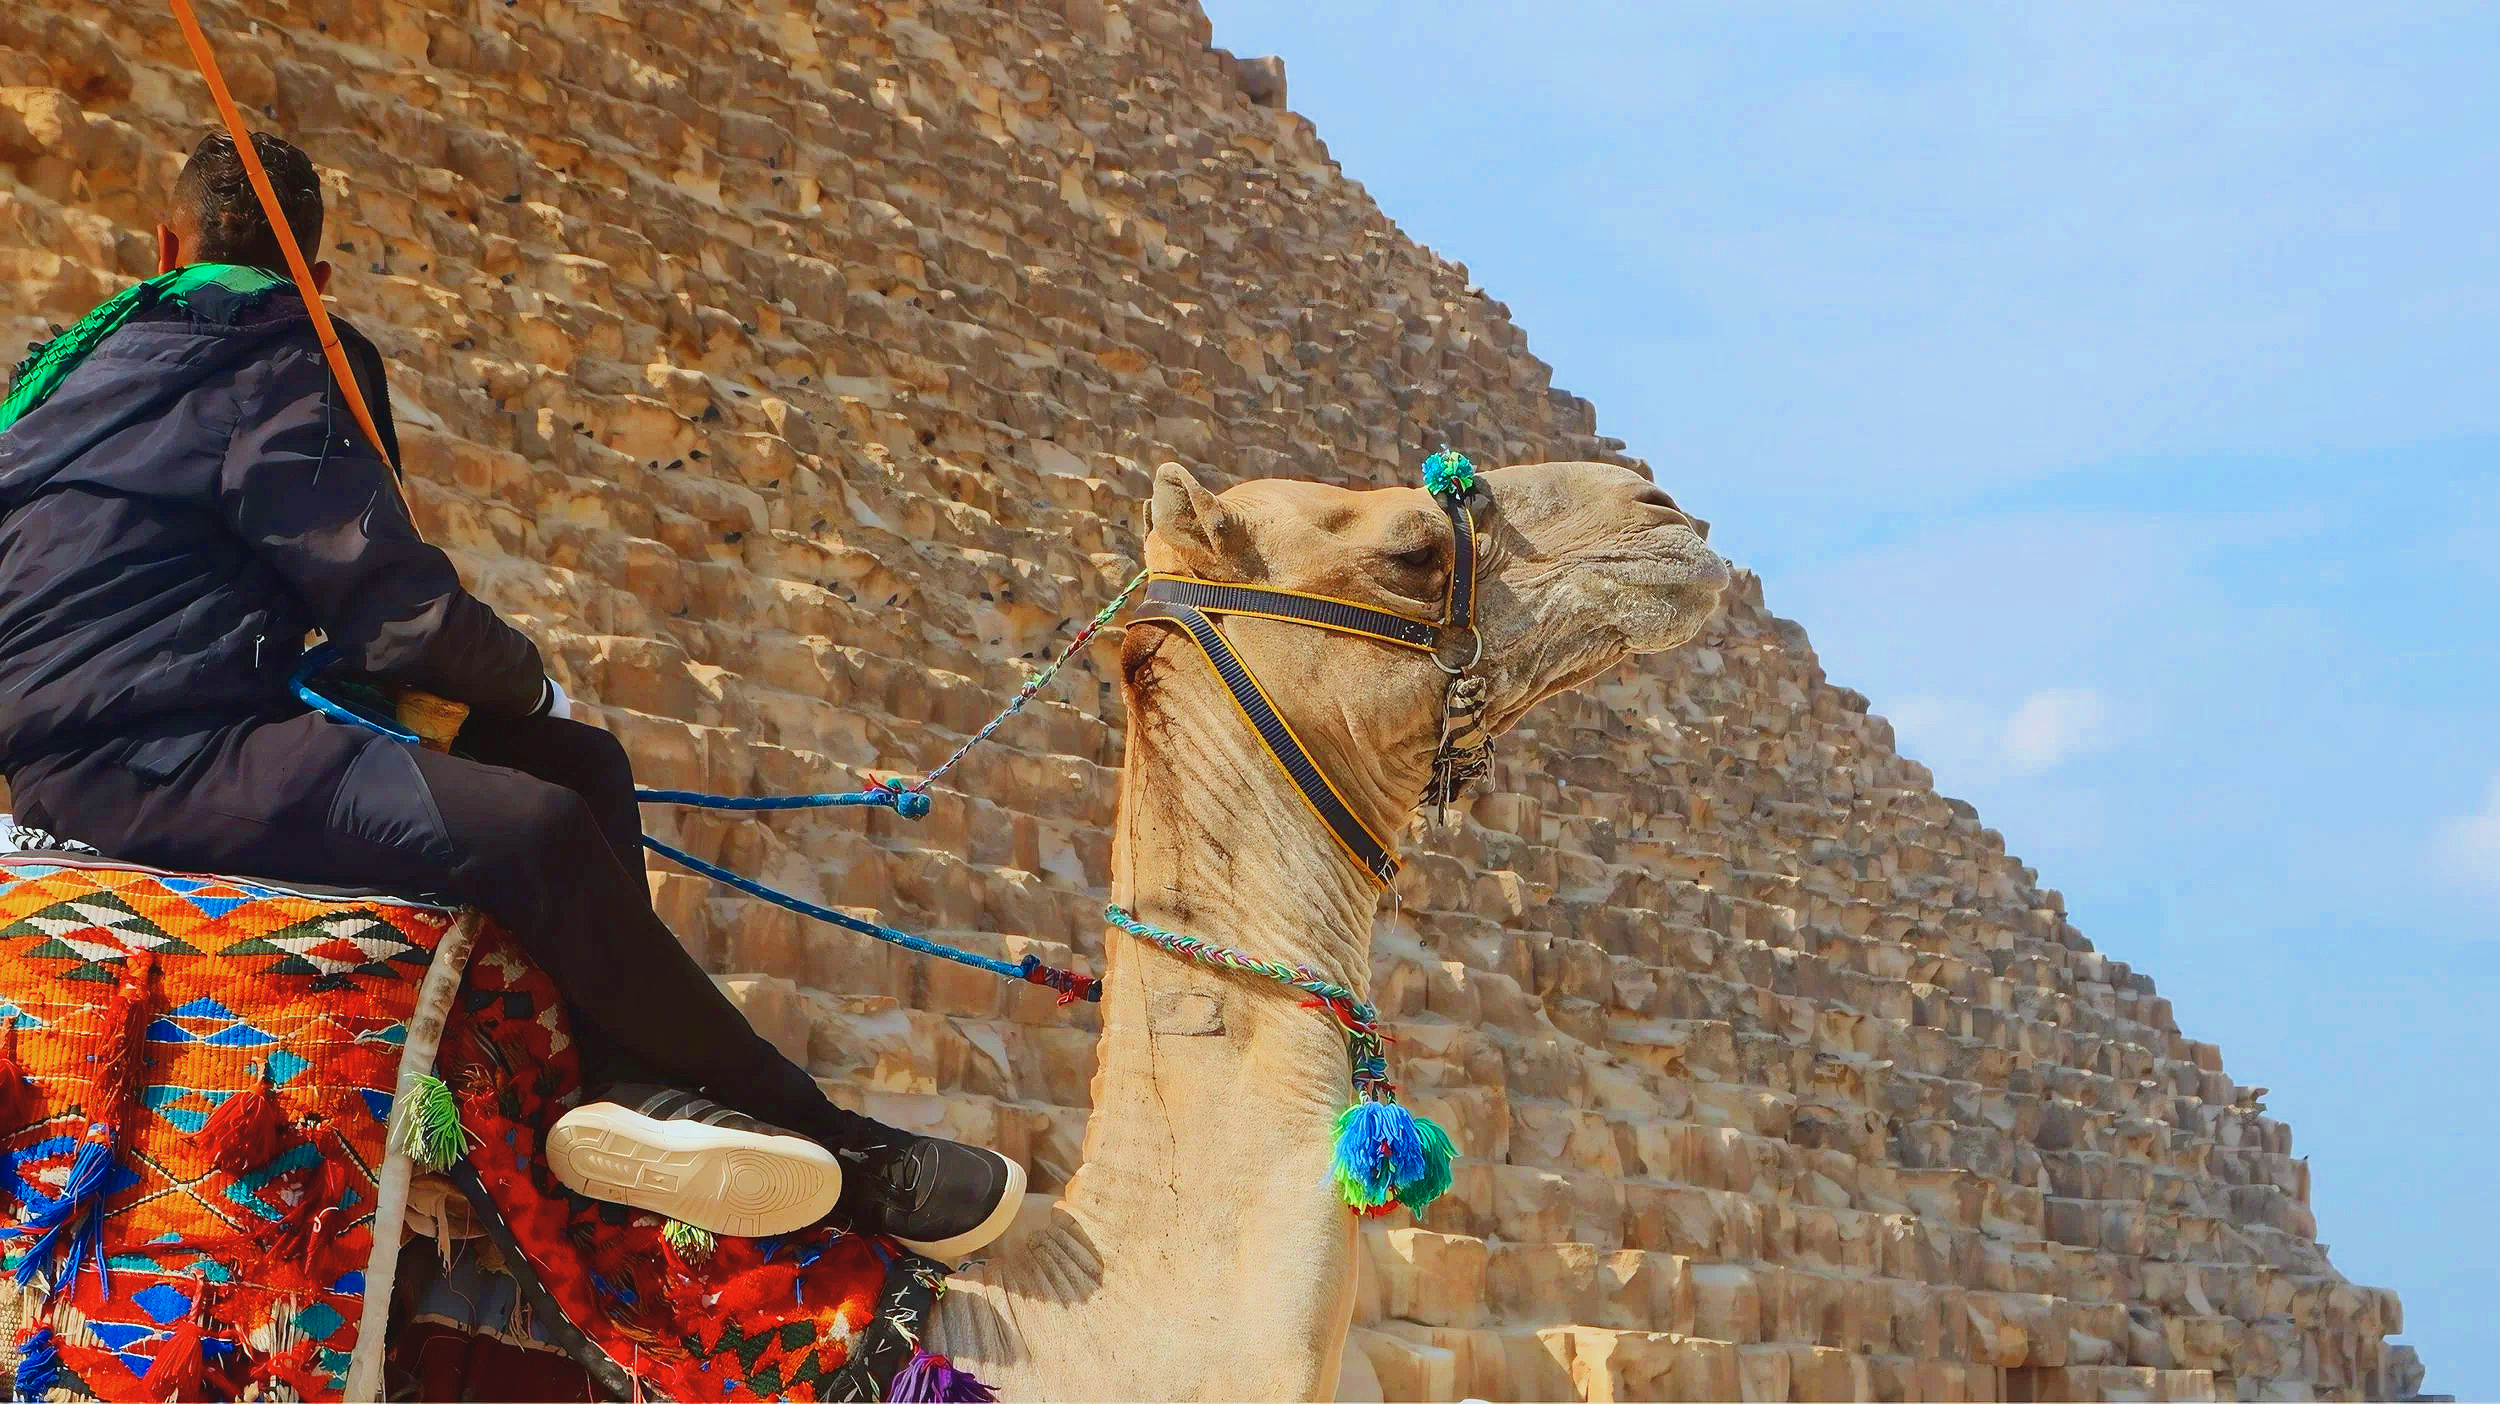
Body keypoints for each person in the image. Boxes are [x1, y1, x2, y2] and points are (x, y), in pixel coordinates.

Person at [0, 131, 1022, 1257]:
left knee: (581, 768)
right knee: (533, 817)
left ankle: (633, 1089)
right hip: (154, 758)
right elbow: (390, 610)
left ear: (161, 246)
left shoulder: (60, 378)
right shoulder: (286, 347)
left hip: (124, 728)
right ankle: (839, 1145)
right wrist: (529, 679)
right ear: (319, 274)